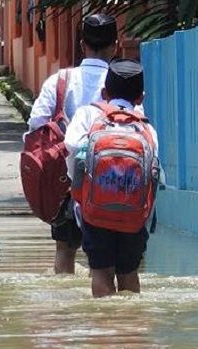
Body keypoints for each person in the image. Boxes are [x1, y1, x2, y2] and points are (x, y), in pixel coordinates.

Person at [27, 13, 119, 274]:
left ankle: (65, 308)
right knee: (103, 255)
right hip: (109, 179)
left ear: (82, 45)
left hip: (65, 182)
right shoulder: (119, 81)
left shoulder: (60, 80)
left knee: (65, 250)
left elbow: (36, 123)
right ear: (116, 45)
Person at [64, 59, 160, 297]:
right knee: (129, 272)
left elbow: (72, 149)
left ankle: (104, 326)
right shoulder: (146, 128)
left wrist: (79, 194)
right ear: (141, 97)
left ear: (105, 93)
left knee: (101, 271)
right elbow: (153, 172)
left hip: (95, 213)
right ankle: (129, 326)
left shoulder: (88, 115)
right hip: (134, 216)